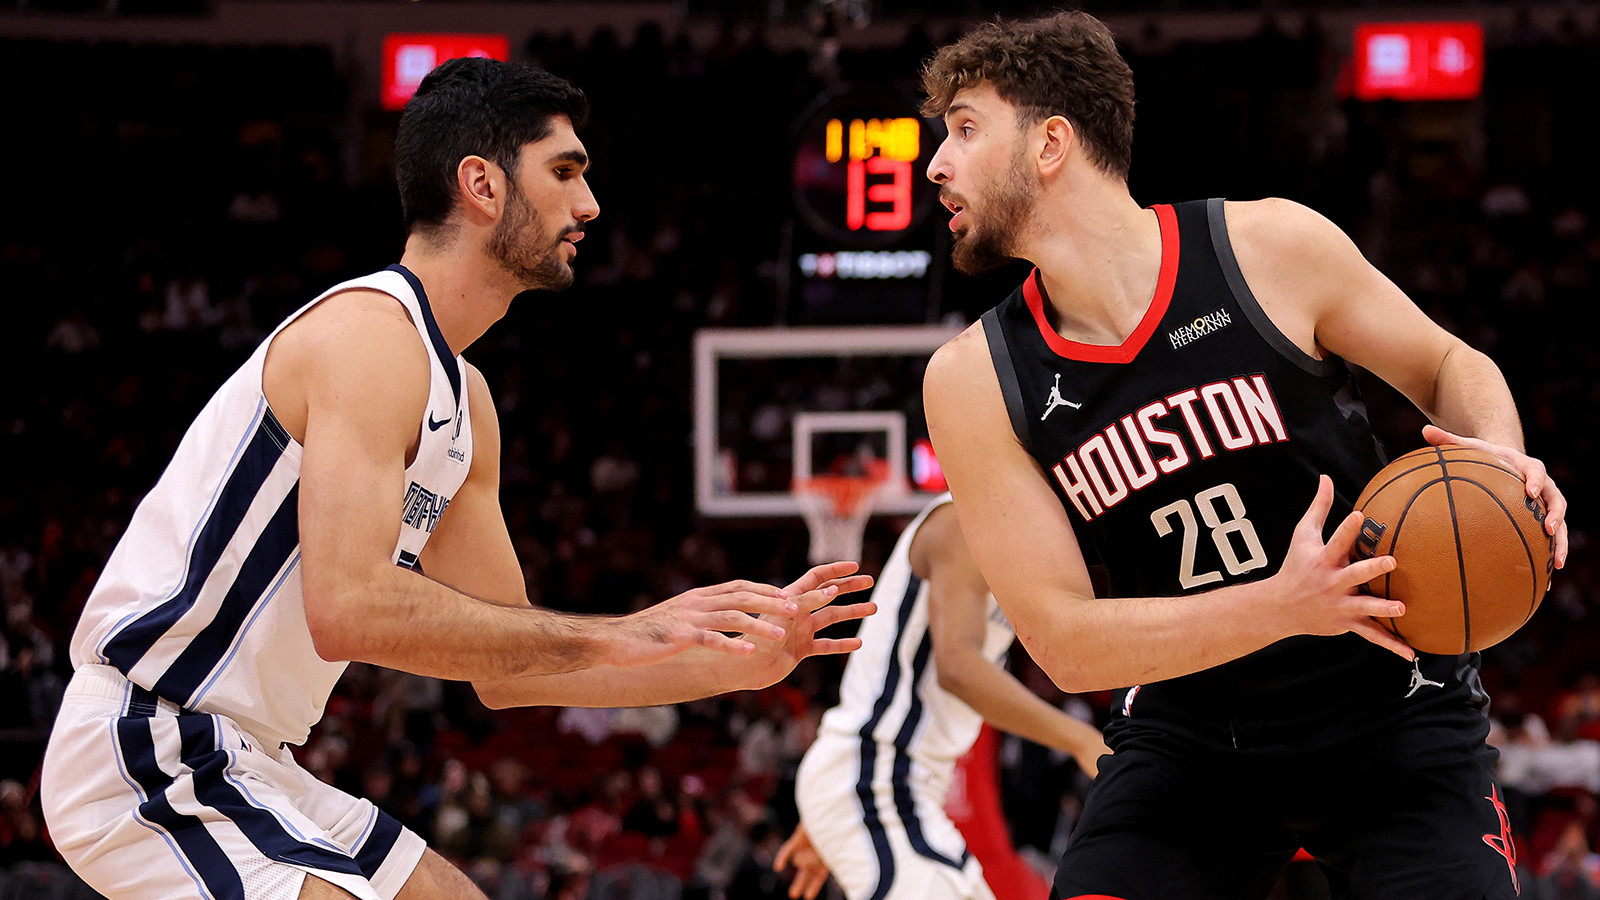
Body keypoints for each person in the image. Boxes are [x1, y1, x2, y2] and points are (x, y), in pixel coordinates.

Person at [39, 58, 875, 900]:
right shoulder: (369, 335)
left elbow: (508, 667)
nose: (588, 205)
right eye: (563, 172)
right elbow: (350, 608)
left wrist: (727, 664)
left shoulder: (464, 399)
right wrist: (632, 629)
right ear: (481, 183)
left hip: (246, 754)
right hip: (148, 739)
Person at [916, 12, 1569, 900]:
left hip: (1390, 705)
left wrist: (1500, 462)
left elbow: (1450, 364)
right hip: (1190, 738)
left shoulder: (1267, 249)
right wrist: (1280, 606)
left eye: (963, 128)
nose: (935, 166)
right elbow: (1063, 643)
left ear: (1052, 143)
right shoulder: (973, 379)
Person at [774, 494, 1109, 900]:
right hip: (875, 775)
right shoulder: (960, 521)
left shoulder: (1012, 537)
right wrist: (1082, 739)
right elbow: (958, 669)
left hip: (892, 786)